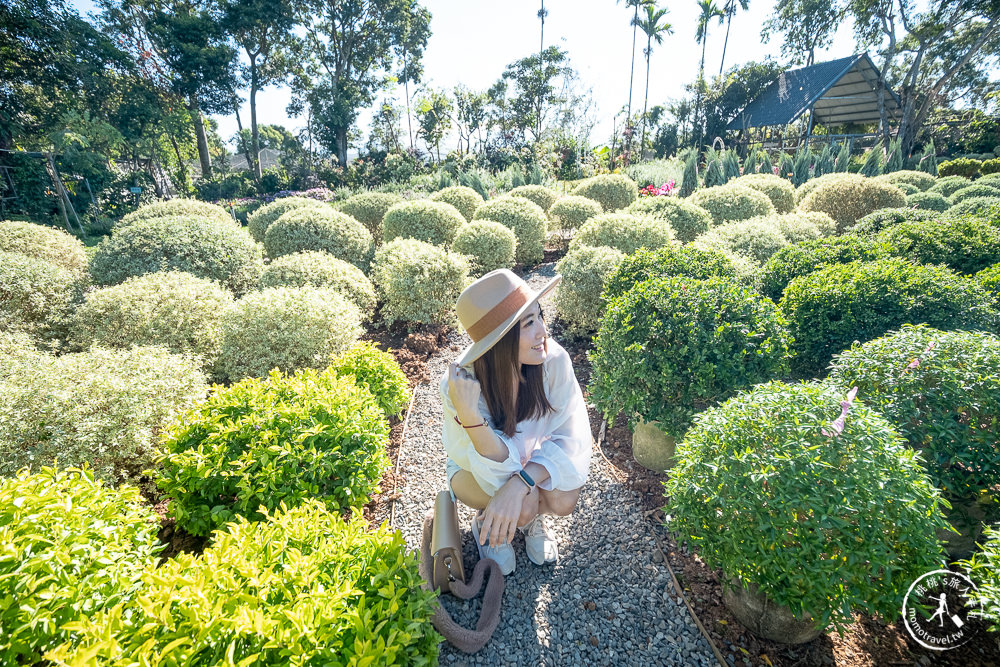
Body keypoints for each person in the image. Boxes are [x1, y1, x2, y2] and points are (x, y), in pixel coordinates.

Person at [439, 268, 592, 575]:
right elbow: (476, 456)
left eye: (540, 317)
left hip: (530, 460)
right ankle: (491, 523)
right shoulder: (460, 385)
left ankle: (522, 516)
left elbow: (570, 432)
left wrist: (522, 483)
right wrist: (470, 416)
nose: (542, 332)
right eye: (528, 324)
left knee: (563, 498)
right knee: (524, 505)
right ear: (499, 341)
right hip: (475, 469)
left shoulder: (554, 362)